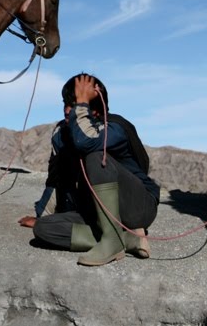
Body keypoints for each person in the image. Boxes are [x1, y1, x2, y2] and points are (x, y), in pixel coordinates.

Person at [19, 73, 160, 266]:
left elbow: (86, 142)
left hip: (137, 209)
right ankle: (127, 239)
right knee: (43, 229)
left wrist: (82, 104)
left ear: (93, 110)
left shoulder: (115, 128)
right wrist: (42, 215)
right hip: (95, 213)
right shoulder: (61, 133)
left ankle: (113, 242)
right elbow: (55, 177)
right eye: (67, 103)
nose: (68, 110)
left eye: (75, 104)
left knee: (95, 157)